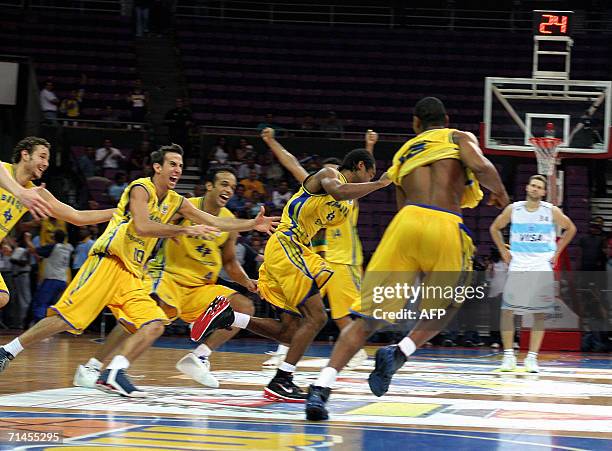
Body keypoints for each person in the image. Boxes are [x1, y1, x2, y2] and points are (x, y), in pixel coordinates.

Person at [0, 144, 279, 397]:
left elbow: (213, 221)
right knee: (65, 320)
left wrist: (250, 225)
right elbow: (144, 227)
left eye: (181, 165)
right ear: (157, 167)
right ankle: (7, 352)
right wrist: (182, 228)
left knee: (154, 323)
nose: (178, 170)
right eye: (172, 164)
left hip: (132, 273)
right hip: (108, 262)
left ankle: (113, 373)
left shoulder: (175, 201)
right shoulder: (140, 188)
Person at [302, 96, 510, 420]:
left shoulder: (404, 152)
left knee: (366, 319)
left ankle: (320, 389)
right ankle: (400, 352)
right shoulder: (457, 137)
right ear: (446, 118)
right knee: (448, 304)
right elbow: (482, 166)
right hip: (444, 223)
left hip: (405, 225)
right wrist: (500, 192)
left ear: (416, 123)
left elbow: (400, 201)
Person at [190, 130, 391, 402]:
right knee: (318, 317)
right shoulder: (330, 175)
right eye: (370, 173)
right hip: (288, 245)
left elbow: (334, 212)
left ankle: (228, 318)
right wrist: (380, 184)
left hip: (294, 252)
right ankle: (283, 379)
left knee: (291, 331)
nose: (370, 179)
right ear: (360, 167)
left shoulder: (347, 203)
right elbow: (338, 190)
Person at [72, 166, 257, 389]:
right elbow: (150, 222)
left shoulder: (229, 221)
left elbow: (229, 261)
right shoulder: (185, 206)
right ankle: (93, 367)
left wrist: (246, 281)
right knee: (138, 321)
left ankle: (198, 357)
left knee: (243, 307)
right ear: (210, 186)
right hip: (168, 277)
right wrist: (176, 231)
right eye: (224, 184)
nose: (229, 190)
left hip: (200, 287)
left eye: (233, 187)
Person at [261, 129, 379, 369]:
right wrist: (272, 142)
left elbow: (362, 175)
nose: (331, 176)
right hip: (318, 257)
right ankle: (283, 354)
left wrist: (369, 147)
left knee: (338, 313)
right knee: (301, 310)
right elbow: (293, 164)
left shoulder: (349, 197)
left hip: (344, 259)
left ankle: (353, 350)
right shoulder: (322, 188)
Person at [0, 137, 103, 312]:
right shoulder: (5, 170)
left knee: (2, 297)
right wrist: (20, 192)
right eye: (42, 156)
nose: (46, 163)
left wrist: (121, 211)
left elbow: (77, 216)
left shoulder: (36, 193)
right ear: (25, 154)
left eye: (47, 159)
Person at [490, 174, 576, 373]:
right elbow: (494, 228)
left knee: (539, 313)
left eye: (539, 187)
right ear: (527, 188)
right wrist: (503, 250)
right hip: (518, 265)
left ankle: (532, 358)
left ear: (544, 192)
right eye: (533, 185)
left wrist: (558, 251)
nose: (535, 189)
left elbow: (571, 228)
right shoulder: (514, 209)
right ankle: (509, 356)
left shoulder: (550, 211)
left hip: (540, 266)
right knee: (507, 311)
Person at [27, 230, 73, 323]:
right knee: (53, 305)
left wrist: (27, 240)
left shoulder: (53, 247)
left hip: (52, 279)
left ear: (54, 238)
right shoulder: (68, 248)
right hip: (63, 280)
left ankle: (40, 325)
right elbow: (46, 257)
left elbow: (34, 250)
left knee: (41, 302)